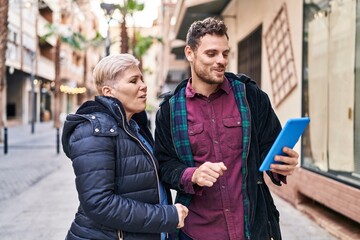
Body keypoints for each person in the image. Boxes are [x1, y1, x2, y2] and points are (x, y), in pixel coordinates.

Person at [154, 17, 299, 240]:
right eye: (211, 54)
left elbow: (270, 149)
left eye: (225, 53)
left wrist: (281, 164)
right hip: (196, 232)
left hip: (251, 229)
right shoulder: (170, 110)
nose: (221, 60)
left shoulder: (252, 97)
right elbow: (164, 165)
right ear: (190, 53)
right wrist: (193, 174)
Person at [62, 53, 188, 240]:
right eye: (133, 81)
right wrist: (167, 216)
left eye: (142, 79)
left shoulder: (134, 127)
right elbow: (99, 203)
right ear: (108, 91)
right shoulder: (95, 131)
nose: (143, 86)